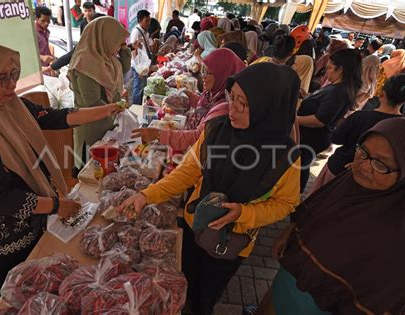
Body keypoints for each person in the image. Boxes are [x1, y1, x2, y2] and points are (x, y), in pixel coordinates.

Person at [0, 36, 125, 294]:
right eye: (1, 77)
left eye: (14, 74)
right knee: (17, 293)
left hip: (34, 215)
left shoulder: (9, 104)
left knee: (43, 283)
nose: (11, 85)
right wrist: (58, 206)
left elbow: (59, 118)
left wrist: (110, 108)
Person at [118, 62, 302, 315]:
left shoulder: (286, 157)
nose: (232, 109)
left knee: (207, 296)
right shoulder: (217, 130)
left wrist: (244, 214)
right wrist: (145, 195)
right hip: (195, 224)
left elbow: (286, 203)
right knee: (185, 283)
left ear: (268, 108)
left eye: (243, 104)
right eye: (232, 98)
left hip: (233, 241)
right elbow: (187, 172)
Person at [265, 117, 405, 315]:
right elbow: (312, 208)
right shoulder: (349, 181)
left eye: (380, 164)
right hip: (292, 276)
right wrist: (289, 232)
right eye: (363, 151)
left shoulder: (401, 235)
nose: (364, 166)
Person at [307, 73, 405, 194]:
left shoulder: (360, 117)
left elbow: (336, 138)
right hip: (371, 183)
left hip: (339, 169)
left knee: (317, 202)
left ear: (382, 92)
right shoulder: (401, 128)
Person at [131, 48, 246, 151]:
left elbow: (197, 138)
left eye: (207, 73)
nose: (203, 77)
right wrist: (190, 96)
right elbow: (205, 106)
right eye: (202, 71)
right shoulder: (214, 93)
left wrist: (158, 135)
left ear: (222, 74)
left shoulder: (225, 107)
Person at [69, 17, 131, 171]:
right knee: (90, 171)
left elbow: (124, 69)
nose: (118, 47)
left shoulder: (106, 58)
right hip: (91, 127)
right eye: (117, 42)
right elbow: (93, 102)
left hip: (108, 123)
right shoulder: (85, 63)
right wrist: (116, 108)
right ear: (105, 38)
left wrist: (124, 48)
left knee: (107, 170)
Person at [297, 49, 362, 192]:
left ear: (341, 69)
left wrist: (293, 119)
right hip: (311, 136)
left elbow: (320, 120)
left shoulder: (338, 91)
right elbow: (322, 105)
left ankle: (294, 198)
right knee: (300, 166)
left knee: (299, 167)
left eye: (330, 68)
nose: (327, 72)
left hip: (312, 137)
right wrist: (307, 96)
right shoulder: (336, 87)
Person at [130, 10, 153, 105]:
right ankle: (135, 107)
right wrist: (139, 68)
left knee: (141, 87)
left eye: (149, 20)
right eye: (146, 20)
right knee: (138, 87)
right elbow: (133, 50)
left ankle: (139, 105)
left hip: (143, 65)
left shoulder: (143, 31)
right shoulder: (136, 32)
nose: (149, 23)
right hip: (139, 66)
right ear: (140, 20)